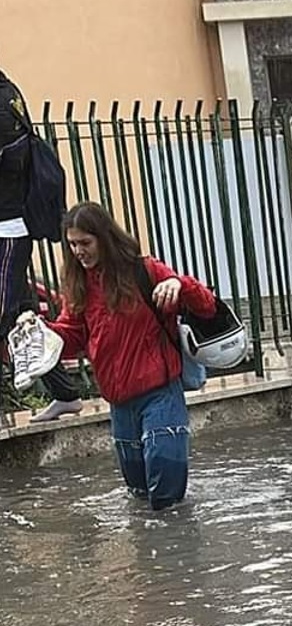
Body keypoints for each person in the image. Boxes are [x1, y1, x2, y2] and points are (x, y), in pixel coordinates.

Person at [31, 202, 216, 510]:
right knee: (138, 494)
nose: (78, 251)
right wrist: (39, 334)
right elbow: (71, 336)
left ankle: (175, 553)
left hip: (160, 394)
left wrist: (179, 284)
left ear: (105, 238)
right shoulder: (78, 284)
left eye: (85, 243)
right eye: (72, 244)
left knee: (166, 493)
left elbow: (207, 306)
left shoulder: (144, 270)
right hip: (119, 403)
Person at [0, 69, 84, 422]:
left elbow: (12, 157)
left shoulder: (3, 101)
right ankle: (65, 393)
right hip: (8, 223)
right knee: (22, 316)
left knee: (3, 313)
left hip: (7, 227)